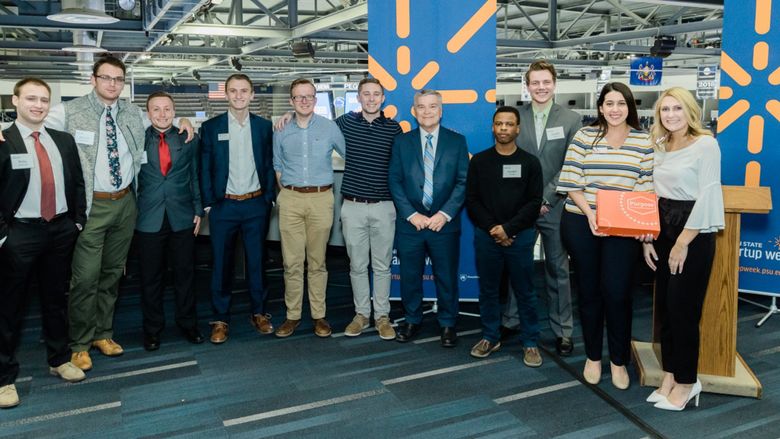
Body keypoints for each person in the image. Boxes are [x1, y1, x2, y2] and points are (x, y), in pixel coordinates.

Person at [38, 56, 191, 371]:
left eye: (118, 79)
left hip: (126, 204)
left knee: (111, 274)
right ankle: (79, 343)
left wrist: (187, 120)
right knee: (85, 277)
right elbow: (33, 120)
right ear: (93, 79)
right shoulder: (69, 111)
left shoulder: (135, 114)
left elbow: (164, 119)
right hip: (92, 206)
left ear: (123, 83)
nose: (112, 84)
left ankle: (103, 333)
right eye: (106, 78)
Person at [274, 78, 403, 339]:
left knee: (377, 266)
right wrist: (288, 115)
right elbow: (278, 165)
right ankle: (353, 315)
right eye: (365, 94)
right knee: (342, 266)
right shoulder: (342, 124)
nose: (370, 98)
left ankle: (381, 316)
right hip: (346, 204)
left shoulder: (392, 129)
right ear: (358, 97)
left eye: (376, 94)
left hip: (379, 204)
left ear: (382, 98)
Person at [557, 82, 654, 389]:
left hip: (622, 227)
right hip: (582, 221)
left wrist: (636, 224)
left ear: (629, 107)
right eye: (609, 103)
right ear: (600, 107)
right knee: (589, 292)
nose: (615, 109)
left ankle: (619, 361)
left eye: (621, 103)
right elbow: (572, 181)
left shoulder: (643, 141)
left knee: (618, 293)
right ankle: (593, 357)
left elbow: (645, 186)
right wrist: (591, 214)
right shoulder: (585, 136)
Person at [0, 78, 87, 408]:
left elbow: (77, 181)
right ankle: (4, 377)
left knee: (55, 299)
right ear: (15, 100)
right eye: (31, 98)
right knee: (10, 307)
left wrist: (77, 221)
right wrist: (3, 235)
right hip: (19, 234)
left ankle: (60, 358)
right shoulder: (3, 139)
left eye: (43, 100)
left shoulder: (63, 140)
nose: (38, 105)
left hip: (60, 230)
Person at [643, 87, 724, 411]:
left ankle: (688, 381)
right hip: (663, 230)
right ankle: (670, 374)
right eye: (665, 110)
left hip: (691, 234)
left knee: (683, 311)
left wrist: (681, 243)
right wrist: (649, 236)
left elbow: (707, 195)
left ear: (690, 111)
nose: (671, 115)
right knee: (664, 308)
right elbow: (652, 192)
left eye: (677, 108)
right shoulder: (661, 145)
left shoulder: (706, 145)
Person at [502, 60, 581, 356]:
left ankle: (563, 330)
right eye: (535, 82)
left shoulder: (571, 119)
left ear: (554, 83)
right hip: (521, 208)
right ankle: (509, 320)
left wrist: (545, 199)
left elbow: (572, 165)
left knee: (558, 270)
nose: (540, 87)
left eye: (545, 82)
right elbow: (507, 159)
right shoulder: (514, 117)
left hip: (556, 206)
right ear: (527, 85)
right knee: (516, 266)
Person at [388, 89, 469, 347]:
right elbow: (395, 180)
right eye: (421, 107)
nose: (426, 111)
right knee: (410, 275)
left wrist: (444, 215)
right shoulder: (402, 142)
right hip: (411, 224)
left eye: (432, 106)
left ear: (441, 110)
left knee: (446, 276)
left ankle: (448, 324)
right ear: (414, 111)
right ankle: (412, 319)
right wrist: (411, 215)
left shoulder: (457, 142)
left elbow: (462, 182)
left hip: (444, 225)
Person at [200, 73, 276, 344]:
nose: (239, 95)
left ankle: (259, 312)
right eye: (233, 91)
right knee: (221, 264)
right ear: (226, 94)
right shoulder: (211, 127)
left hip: (256, 204)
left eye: (244, 91)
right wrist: (209, 204)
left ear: (252, 94)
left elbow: (269, 162)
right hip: (224, 207)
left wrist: (269, 198)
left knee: (257, 262)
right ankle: (220, 319)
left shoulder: (265, 127)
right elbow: (205, 168)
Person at [466, 106, 544, 366]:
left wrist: (509, 230)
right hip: (487, 237)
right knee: (488, 291)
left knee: (526, 292)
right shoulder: (479, 161)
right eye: (499, 124)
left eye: (509, 124)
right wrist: (495, 229)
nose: (503, 129)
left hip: (520, 237)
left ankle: (530, 342)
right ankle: (490, 336)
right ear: (493, 127)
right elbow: (473, 200)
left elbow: (534, 202)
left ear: (517, 129)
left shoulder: (530, 162)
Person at [273, 78, 346, 339]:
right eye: (298, 97)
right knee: (291, 263)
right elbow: (277, 167)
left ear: (315, 99)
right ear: (291, 101)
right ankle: (292, 316)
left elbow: (349, 154)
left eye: (309, 96)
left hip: (321, 199)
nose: (304, 101)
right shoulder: (281, 129)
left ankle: (319, 316)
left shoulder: (330, 128)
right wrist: (288, 195)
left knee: (317, 262)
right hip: (291, 199)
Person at [136, 91, 205, 351]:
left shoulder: (188, 138)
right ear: (148, 112)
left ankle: (188, 324)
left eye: (167, 109)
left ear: (174, 111)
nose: (162, 114)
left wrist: (198, 209)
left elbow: (194, 175)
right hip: (147, 217)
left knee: (185, 275)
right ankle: (152, 330)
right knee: (150, 278)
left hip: (182, 216)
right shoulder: (136, 139)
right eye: (156, 109)